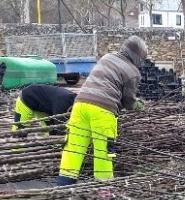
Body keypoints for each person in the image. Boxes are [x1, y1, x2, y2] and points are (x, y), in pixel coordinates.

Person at [57, 36, 147, 186]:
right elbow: (128, 101)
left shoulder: (107, 57)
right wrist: (139, 106)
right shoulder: (133, 72)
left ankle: (64, 188)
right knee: (103, 154)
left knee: (73, 150)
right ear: (138, 57)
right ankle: (104, 194)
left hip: (80, 105)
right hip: (103, 111)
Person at [12, 84, 77, 135]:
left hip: (43, 106)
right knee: (20, 132)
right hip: (26, 100)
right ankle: (15, 151)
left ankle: (54, 148)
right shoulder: (62, 103)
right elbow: (60, 127)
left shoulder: (76, 102)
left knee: (51, 131)